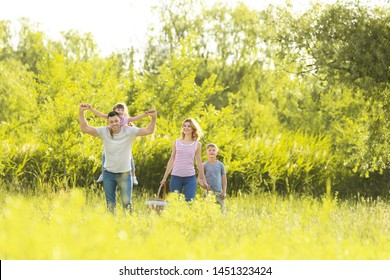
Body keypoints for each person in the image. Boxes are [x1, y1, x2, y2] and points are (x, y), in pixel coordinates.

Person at [79, 103, 157, 214]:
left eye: (116, 121)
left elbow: (149, 130)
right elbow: (85, 128)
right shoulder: (104, 131)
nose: (114, 124)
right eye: (111, 122)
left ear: (120, 121)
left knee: (127, 204)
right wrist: (81, 112)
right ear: (108, 122)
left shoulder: (128, 131)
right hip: (109, 174)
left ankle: (129, 226)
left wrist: (153, 119)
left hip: (125, 174)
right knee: (110, 204)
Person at [89, 103, 148, 185]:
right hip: (113, 141)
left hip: (123, 143)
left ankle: (133, 176)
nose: (120, 111)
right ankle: (103, 173)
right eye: (118, 109)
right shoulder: (111, 117)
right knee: (104, 155)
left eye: (122, 110)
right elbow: (100, 114)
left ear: (124, 112)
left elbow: (135, 118)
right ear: (114, 111)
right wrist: (91, 109)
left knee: (129, 158)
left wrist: (144, 115)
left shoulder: (125, 119)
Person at [160, 118, 209, 202]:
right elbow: (171, 160)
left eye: (189, 126)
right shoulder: (176, 142)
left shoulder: (197, 144)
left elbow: (199, 162)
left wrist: (204, 179)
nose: (186, 128)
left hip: (190, 178)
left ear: (193, 128)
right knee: (175, 203)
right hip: (176, 177)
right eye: (184, 126)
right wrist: (164, 178)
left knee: (189, 202)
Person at [201, 143, 227, 213]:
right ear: (206, 152)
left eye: (213, 150)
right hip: (208, 193)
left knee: (222, 212)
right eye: (209, 150)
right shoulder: (204, 165)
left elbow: (224, 180)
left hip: (219, 193)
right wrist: (204, 186)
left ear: (217, 152)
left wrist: (224, 192)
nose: (211, 152)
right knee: (207, 212)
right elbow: (199, 180)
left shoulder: (221, 165)